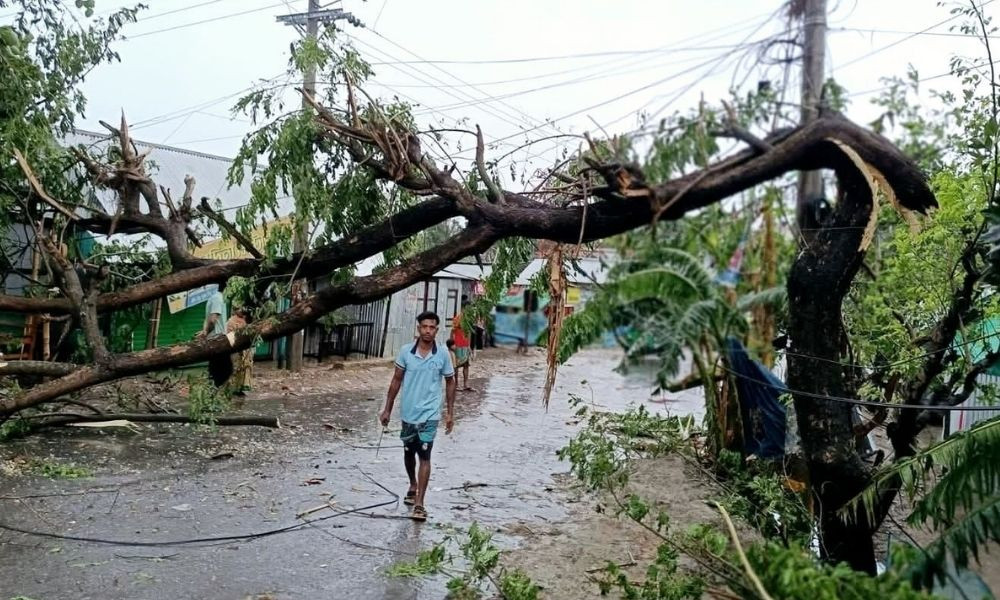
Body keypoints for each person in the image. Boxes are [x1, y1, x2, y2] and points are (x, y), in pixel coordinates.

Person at [379, 311, 456, 522]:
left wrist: (450, 412)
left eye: (432, 327)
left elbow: (450, 381)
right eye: (425, 327)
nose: (428, 331)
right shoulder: (405, 352)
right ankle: (412, 484)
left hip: (430, 414)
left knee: (425, 455)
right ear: (418, 328)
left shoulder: (442, 354)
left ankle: (420, 503)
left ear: (437, 330)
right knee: (408, 452)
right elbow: (396, 381)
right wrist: (387, 409)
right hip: (408, 413)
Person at [196, 283, 232, 389]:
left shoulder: (215, 298)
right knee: (224, 370)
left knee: (217, 369)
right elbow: (213, 320)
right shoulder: (218, 298)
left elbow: (207, 319)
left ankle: (213, 391)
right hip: (218, 339)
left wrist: (204, 331)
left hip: (216, 338)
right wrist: (205, 332)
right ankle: (213, 391)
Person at [226, 307, 253, 396]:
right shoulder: (231, 321)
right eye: (238, 309)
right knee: (236, 368)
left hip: (245, 348)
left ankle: (241, 387)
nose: (241, 310)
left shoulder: (245, 320)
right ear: (234, 310)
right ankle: (233, 389)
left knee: (245, 368)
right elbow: (230, 336)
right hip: (235, 348)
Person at [450, 303, 473, 391]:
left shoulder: (469, 320)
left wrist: (469, 345)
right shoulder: (457, 318)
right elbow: (452, 331)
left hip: (465, 345)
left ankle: (466, 384)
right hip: (458, 345)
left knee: (466, 365)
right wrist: (452, 344)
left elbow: (469, 333)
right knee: (456, 365)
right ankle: (456, 384)